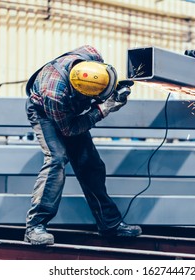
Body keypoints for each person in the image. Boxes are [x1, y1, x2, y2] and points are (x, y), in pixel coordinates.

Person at [24, 45, 142, 245]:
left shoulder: (91, 54)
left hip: (68, 108)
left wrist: (112, 88)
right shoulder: (55, 95)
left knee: (91, 164)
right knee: (57, 159)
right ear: (82, 93)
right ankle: (35, 227)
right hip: (44, 112)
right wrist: (104, 109)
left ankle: (110, 224)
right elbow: (69, 129)